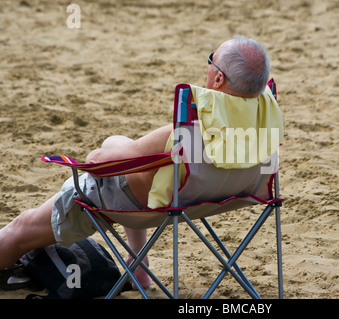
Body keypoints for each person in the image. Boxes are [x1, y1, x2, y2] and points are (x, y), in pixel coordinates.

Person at [0, 35, 280, 290]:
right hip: (212, 199)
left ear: (218, 79)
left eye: (211, 60)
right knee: (129, 149)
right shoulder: (264, 124)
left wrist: (99, 154)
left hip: (128, 201)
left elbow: (99, 163)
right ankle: (138, 262)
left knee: (20, 229)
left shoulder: (187, 132)